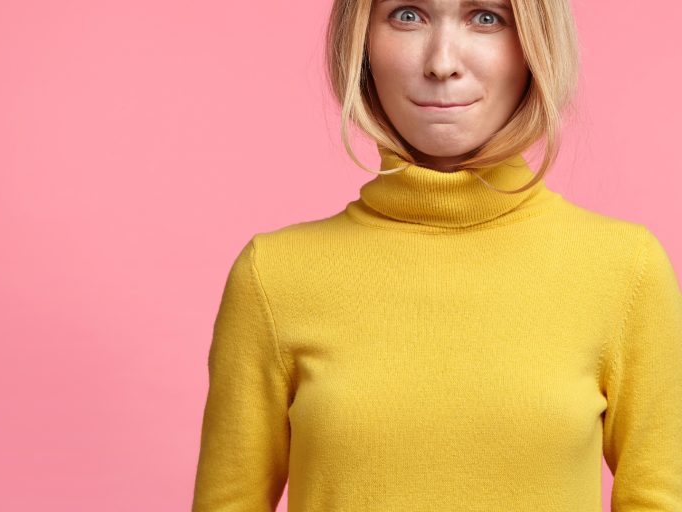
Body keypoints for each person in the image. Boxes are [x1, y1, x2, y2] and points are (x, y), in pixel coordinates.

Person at [191, 0, 682, 510]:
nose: (442, 62)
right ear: (360, 43)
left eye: (486, 17)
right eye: (408, 15)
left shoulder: (626, 271)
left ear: (535, 46)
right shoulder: (274, 275)